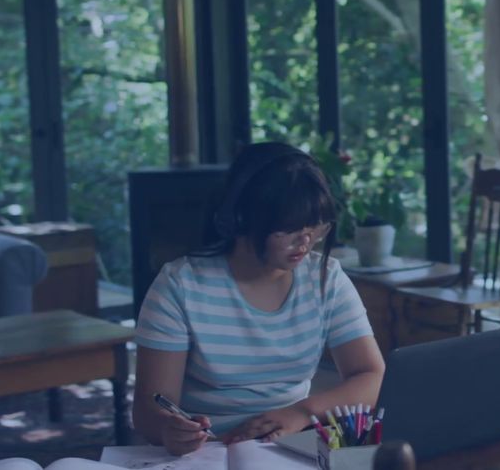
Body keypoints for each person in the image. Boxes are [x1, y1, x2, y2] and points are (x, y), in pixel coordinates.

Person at [132, 142, 385, 455]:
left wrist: (301, 412)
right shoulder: (180, 286)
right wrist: (168, 429)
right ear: (242, 218)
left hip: (292, 443)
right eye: (288, 229)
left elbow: (372, 376)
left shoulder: (325, 278)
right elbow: (147, 411)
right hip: (208, 451)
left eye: (315, 227)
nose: (305, 241)